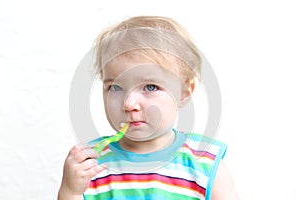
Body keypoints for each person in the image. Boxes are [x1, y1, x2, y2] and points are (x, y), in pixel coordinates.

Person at [58, 16, 240, 200]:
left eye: (150, 87)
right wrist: (70, 190)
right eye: (115, 87)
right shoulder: (91, 164)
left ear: (184, 93)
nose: (129, 104)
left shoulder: (204, 163)